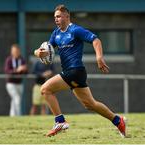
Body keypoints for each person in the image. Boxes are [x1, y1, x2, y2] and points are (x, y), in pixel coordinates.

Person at [34, 5, 126, 137]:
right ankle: (118, 121)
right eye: (55, 17)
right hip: (73, 74)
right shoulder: (56, 33)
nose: (56, 19)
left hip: (75, 71)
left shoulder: (75, 30)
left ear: (67, 16)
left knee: (45, 89)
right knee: (90, 104)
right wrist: (38, 53)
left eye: (59, 16)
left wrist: (99, 57)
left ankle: (60, 121)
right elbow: (44, 49)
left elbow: (96, 40)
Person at [4, 44, 28, 116]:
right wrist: (17, 70)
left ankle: (12, 116)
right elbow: (7, 71)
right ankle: (18, 116)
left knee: (15, 100)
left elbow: (26, 72)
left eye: (17, 51)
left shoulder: (22, 59)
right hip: (11, 84)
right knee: (16, 99)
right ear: (12, 52)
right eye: (14, 51)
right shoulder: (9, 60)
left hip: (19, 83)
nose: (16, 52)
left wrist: (24, 69)